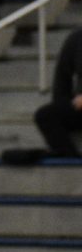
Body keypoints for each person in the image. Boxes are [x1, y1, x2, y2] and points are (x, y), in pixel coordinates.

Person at [33, 28, 82, 157]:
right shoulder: (77, 38)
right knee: (46, 115)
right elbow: (61, 81)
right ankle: (70, 161)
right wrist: (65, 105)